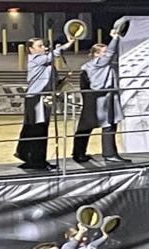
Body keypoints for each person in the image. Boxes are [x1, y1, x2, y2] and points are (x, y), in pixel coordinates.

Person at [15, 35, 76, 169]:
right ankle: (36, 160)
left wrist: (62, 81)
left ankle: (33, 157)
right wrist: (68, 44)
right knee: (37, 129)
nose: (45, 47)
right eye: (40, 46)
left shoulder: (47, 64)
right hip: (35, 98)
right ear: (31, 49)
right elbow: (53, 55)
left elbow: (52, 81)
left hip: (43, 97)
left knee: (38, 129)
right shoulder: (36, 59)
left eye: (44, 45)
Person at [72, 33, 130, 163]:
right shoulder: (98, 63)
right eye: (103, 52)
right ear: (96, 54)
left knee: (87, 126)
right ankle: (109, 154)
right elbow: (110, 53)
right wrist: (115, 37)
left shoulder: (91, 66)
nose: (107, 54)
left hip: (98, 98)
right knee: (107, 125)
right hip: (101, 99)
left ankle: (78, 153)